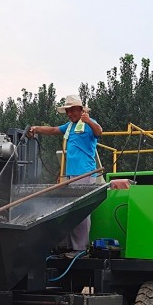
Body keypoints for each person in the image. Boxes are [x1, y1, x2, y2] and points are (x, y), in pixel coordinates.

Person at [28, 94, 103, 255]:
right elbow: (54, 130)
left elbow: (99, 132)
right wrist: (36, 128)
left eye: (72, 111)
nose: (69, 114)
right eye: (67, 111)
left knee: (81, 210)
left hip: (85, 173)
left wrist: (89, 120)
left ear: (81, 110)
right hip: (71, 174)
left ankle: (80, 248)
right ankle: (70, 246)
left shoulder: (90, 123)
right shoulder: (70, 126)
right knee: (72, 211)